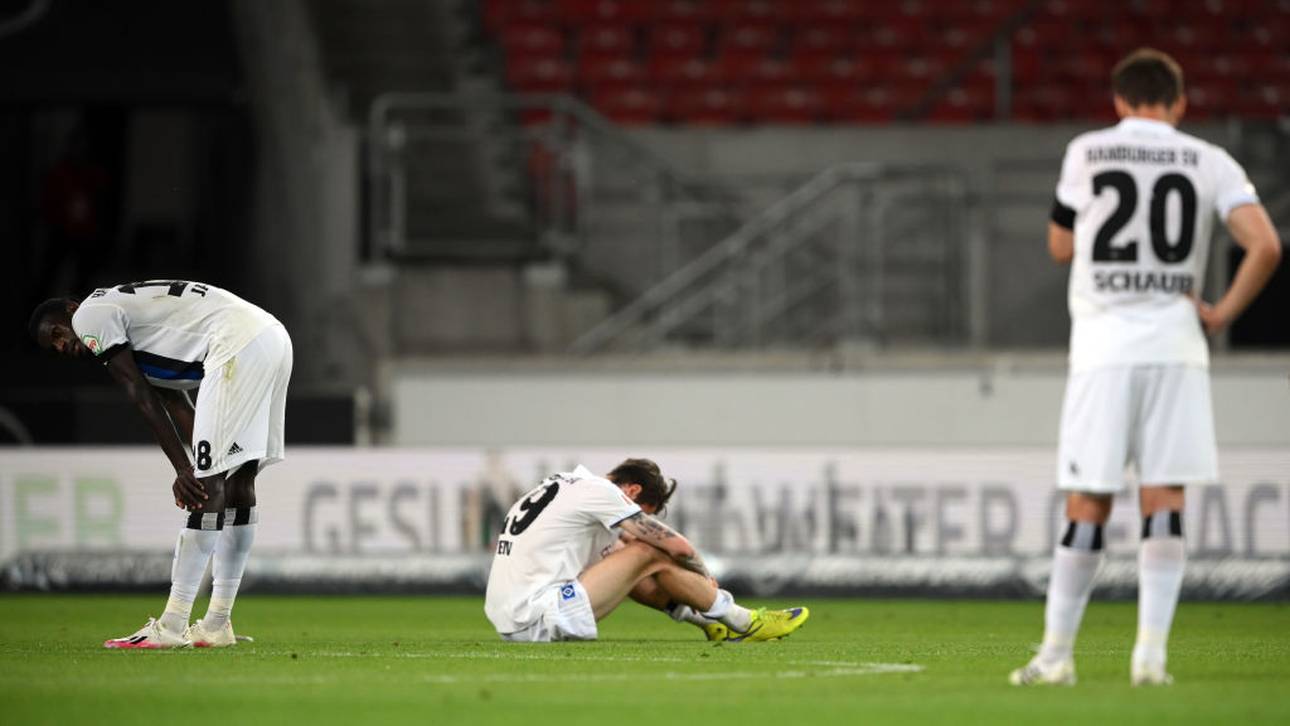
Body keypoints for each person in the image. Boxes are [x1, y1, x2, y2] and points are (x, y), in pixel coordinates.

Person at [1010, 49, 1282, 687]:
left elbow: (1058, 245)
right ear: (1179, 103)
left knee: (1088, 501)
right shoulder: (1209, 160)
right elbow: (1265, 243)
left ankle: (1055, 658)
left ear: (1119, 102)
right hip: (1176, 347)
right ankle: (1150, 660)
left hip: (1104, 350)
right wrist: (1221, 313)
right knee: (1164, 499)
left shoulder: (1088, 151)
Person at [28, 280, 293, 649]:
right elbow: (176, 403)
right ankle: (216, 623)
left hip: (237, 342)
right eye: (54, 346)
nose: (62, 344)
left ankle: (172, 623)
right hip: (271, 336)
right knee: (237, 479)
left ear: (71, 309)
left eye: (57, 332)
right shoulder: (133, 324)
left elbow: (139, 395)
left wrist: (187, 469)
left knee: (208, 485)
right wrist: (199, 460)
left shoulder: (90, 315)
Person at [484, 458, 809, 642]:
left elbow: (629, 563)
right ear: (633, 490)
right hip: (536, 616)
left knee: (631, 560)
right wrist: (706, 576)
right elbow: (677, 547)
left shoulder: (563, 484)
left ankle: (710, 622)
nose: (631, 517)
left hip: (511, 617)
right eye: (641, 510)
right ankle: (744, 621)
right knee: (648, 551)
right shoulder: (601, 492)